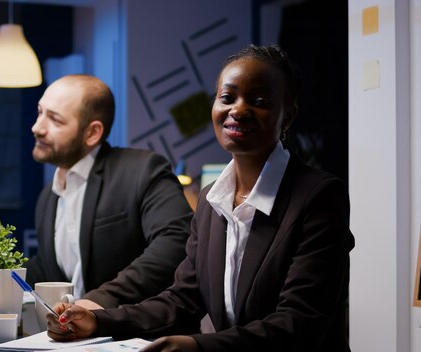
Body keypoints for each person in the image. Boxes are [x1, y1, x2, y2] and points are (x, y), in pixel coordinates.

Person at [45, 45, 355, 351]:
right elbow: (183, 299)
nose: (238, 109)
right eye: (227, 97)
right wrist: (99, 321)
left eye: (259, 101)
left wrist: (198, 346)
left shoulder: (319, 197)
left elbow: (299, 323)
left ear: (288, 115)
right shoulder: (211, 199)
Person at [25, 74, 192, 310]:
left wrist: (100, 300)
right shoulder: (47, 198)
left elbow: (177, 240)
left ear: (92, 133)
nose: (37, 127)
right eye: (40, 112)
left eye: (55, 120)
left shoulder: (142, 170)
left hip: (141, 336)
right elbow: (47, 267)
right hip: (73, 341)